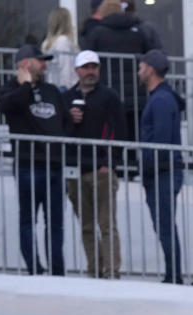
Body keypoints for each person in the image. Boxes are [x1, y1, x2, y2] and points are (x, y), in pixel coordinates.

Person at [0, 44, 69, 276]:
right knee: (28, 221)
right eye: (40, 61)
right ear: (26, 64)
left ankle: (57, 271)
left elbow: (64, 122)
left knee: (55, 223)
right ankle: (34, 269)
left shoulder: (52, 91)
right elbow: (11, 105)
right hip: (28, 165)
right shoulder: (9, 90)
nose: (45, 65)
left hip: (54, 166)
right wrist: (26, 84)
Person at [63, 50, 126, 279]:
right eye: (86, 67)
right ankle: (94, 269)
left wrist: (110, 163)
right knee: (86, 226)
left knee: (107, 225)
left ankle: (112, 270)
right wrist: (70, 119)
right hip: (76, 171)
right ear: (77, 70)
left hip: (101, 170)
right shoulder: (67, 98)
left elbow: (120, 131)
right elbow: (62, 134)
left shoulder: (109, 96)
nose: (91, 72)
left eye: (94, 67)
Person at [138, 49, 185, 284]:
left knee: (165, 225)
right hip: (161, 171)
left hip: (162, 172)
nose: (139, 71)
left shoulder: (161, 100)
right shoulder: (162, 98)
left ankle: (174, 275)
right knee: (164, 224)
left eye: (141, 66)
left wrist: (147, 168)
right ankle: (172, 273)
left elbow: (161, 142)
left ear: (151, 69)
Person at [82, 0, 152, 141]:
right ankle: (133, 162)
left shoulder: (98, 32)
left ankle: (111, 162)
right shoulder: (137, 32)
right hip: (136, 94)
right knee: (134, 136)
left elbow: (87, 56)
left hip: (109, 92)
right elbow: (148, 54)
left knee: (110, 135)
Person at [42, 7, 77, 91]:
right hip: (65, 88)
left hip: (53, 86)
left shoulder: (47, 43)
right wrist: (69, 90)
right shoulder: (63, 41)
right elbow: (66, 68)